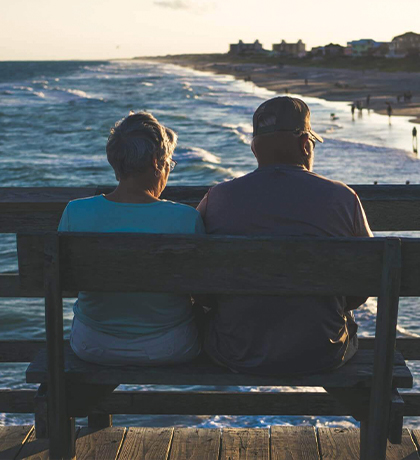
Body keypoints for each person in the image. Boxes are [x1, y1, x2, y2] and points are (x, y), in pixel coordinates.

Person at [197, 96, 373, 376]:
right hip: (322, 352)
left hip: (236, 351)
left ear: (255, 149)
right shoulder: (343, 198)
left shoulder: (216, 198)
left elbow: (195, 277)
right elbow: (369, 276)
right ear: (306, 145)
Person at [58, 111, 204, 366]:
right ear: (156, 162)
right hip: (170, 347)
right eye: (169, 162)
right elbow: (204, 291)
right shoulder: (185, 218)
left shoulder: (75, 211)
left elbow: (66, 284)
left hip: (92, 345)